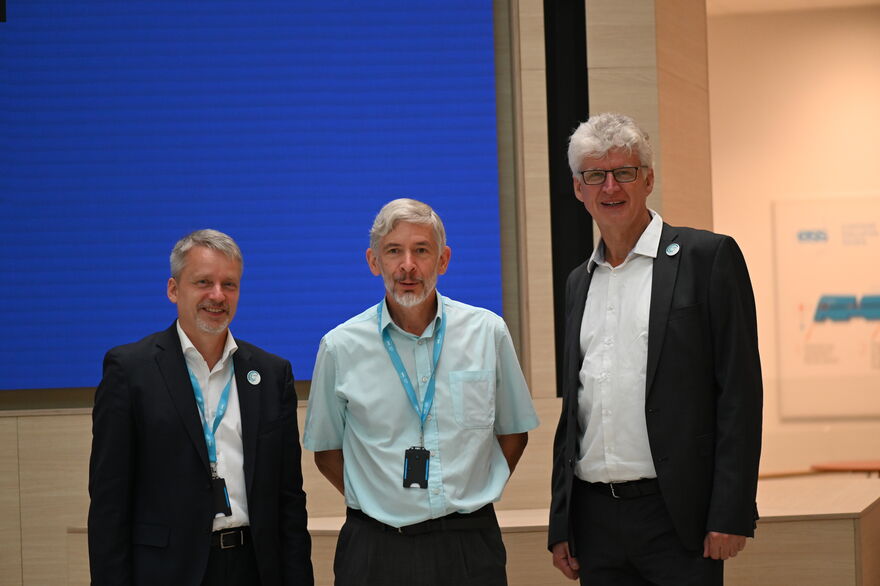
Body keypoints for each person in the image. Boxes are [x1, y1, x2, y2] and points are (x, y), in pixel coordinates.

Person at [548, 113, 763, 585]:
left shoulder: (707, 258)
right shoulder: (577, 283)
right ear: (578, 189)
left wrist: (730, 511)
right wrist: (561, 520)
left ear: (648, 179)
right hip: (595, 519)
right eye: (594, 176)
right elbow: (575, 407)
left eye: (624, 172)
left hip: (678, 518)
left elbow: (739, 395)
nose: (610, 187)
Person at [303, 198, 539, 586]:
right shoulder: (339, 346)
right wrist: (381, 502)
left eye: (421, 250)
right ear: (373, 261)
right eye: (393, 251)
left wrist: (468, 493)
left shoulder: (487, 333)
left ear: (443, 260)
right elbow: (327, 452)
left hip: (468, 544)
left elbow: (514, 433)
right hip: (376, 548)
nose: (407, 265)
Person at [88, 229, 314, 586]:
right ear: (174, 289)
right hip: (167, 570)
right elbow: (108, 504)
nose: (217, 295)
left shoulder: (271, 374)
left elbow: (289, 498)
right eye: (203, 282)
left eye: (229, 284)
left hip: (254, 566)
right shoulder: (130, 371)